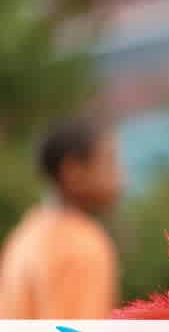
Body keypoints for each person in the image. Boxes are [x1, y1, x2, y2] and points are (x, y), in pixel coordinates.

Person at [0, 115, 122, 319]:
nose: (119, 177)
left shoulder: (24, 234)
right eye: (109, 162)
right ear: (73, 172)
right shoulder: (82, 243)